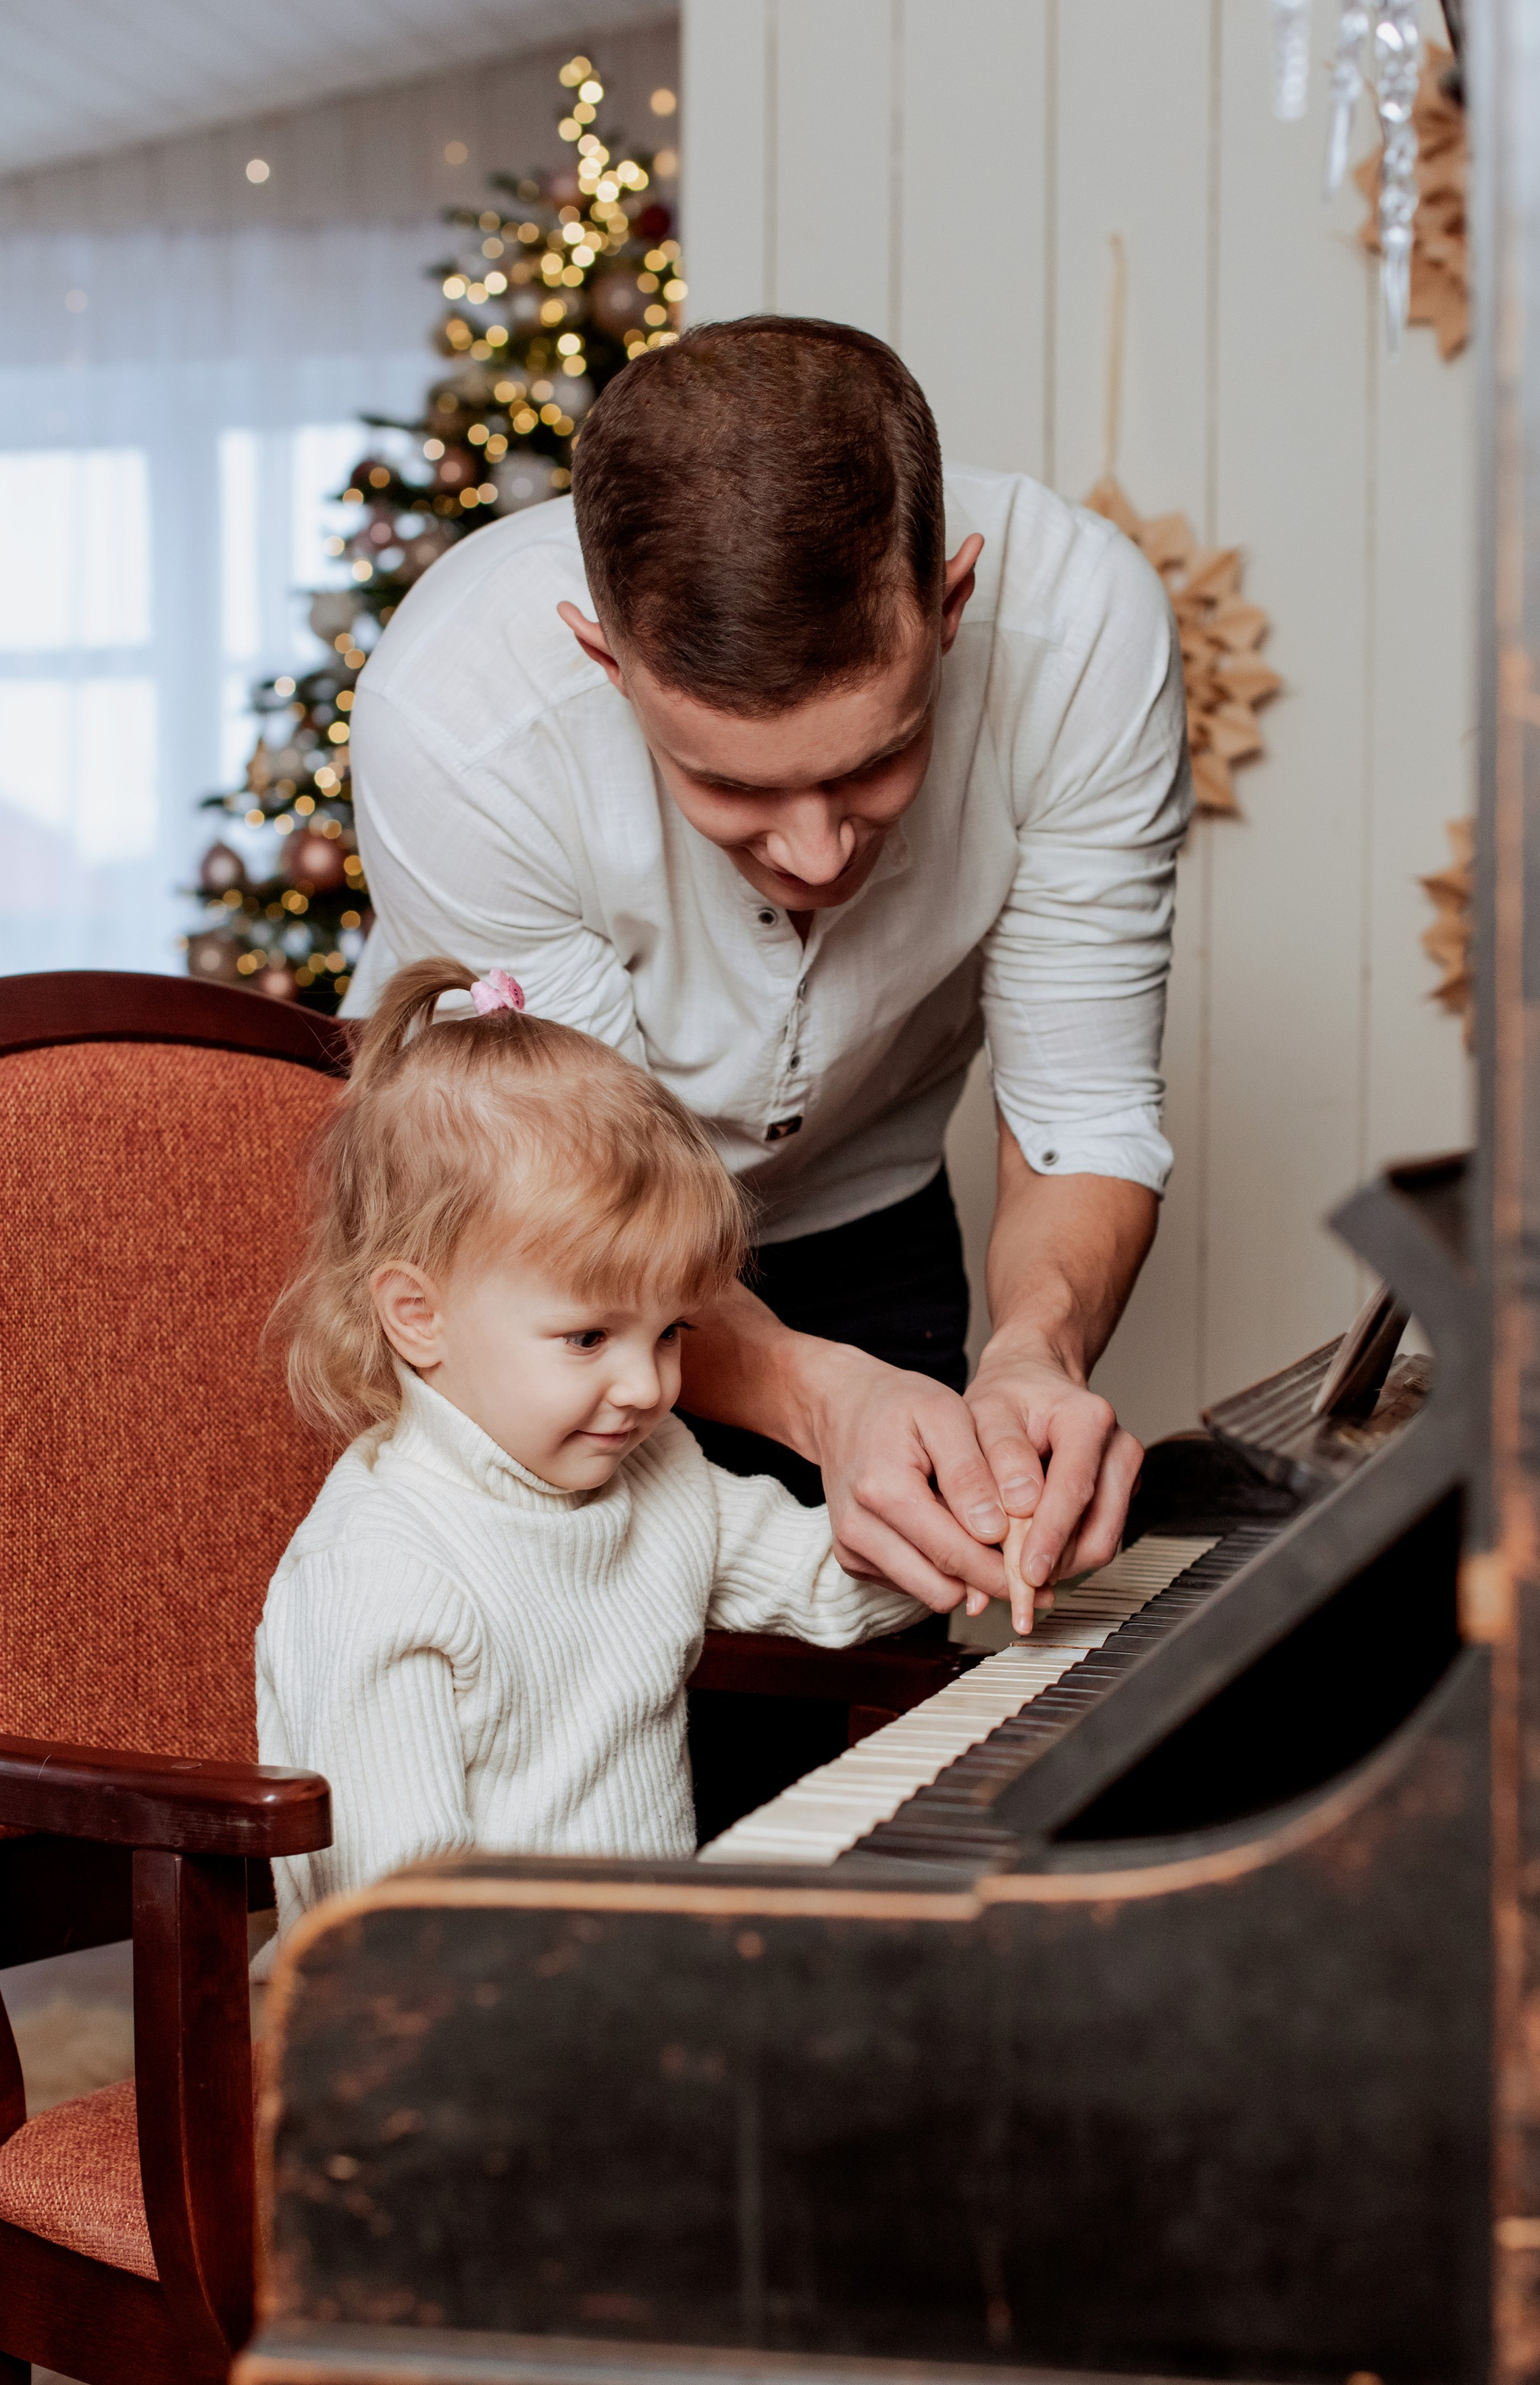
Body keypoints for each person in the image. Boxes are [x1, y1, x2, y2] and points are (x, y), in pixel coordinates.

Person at [347, 315, 1191, 1617]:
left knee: (854, 1741)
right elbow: (583, 1207)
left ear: (951, 603)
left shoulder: (1085, 640)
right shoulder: (459, 715)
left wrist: (1036, 1355)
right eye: (730, 786)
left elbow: (1082, 1116)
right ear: (607, 662)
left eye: (872, 762)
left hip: (864, 1207)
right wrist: (818, 1394)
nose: (813, 850)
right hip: (535, 1277)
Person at [255, 955, 965, 1943]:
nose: (649, 1387)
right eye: (590, 1337)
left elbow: (829, 1585)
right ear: (418, 1315)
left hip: (622, 1997)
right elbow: (402, 1926)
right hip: (435, 2040)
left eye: (671, 1331)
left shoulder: (659, 1468)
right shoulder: (384, 1566)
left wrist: (982, 1521)